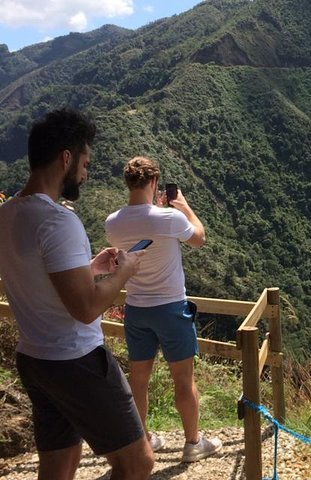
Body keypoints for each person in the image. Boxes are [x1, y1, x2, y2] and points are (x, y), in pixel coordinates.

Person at [0, 108, 154, 480]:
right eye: (84, 162)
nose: (85, 173)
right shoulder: (58, 219)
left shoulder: (6, 214)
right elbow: (85, 308)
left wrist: (90, 268)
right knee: (137, 464)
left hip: (36, 359)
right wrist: (125, 272)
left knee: (59, 464)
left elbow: (35, 275)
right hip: (77, 361)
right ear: (66, 158)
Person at [105, 156, 222, 462]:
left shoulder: (112, 223)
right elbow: (199, 238)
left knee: (139, 379)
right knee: (183, 380)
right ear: (155, 183)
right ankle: (193, 443)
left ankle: (143, 440)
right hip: (171, 308)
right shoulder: (169, 219)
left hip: (136, 309)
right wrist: (183, 207)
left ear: (128, 183)